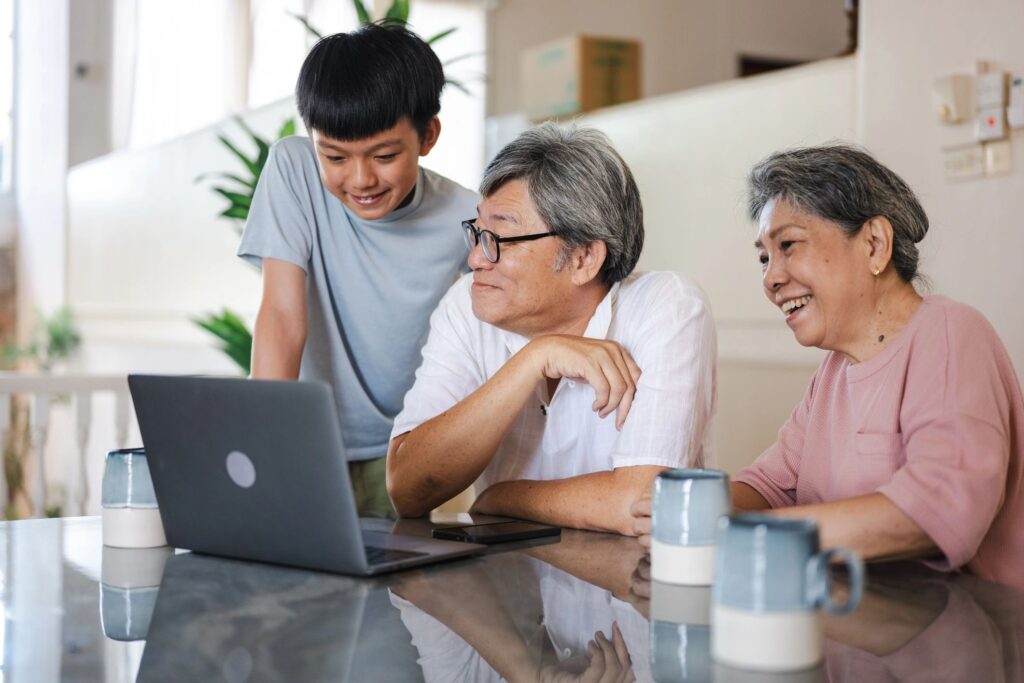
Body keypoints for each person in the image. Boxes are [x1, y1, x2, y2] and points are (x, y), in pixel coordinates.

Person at [631, 144, 1024, 588]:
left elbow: (941, 509)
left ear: (874, 244)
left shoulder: (950, 333)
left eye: (789, 246)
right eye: (764, 257)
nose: (771, 278)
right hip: (864, 625)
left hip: (968, 639)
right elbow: (770, 488)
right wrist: (692, 506)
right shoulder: (834, 372)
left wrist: (748, 536)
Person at [386, 123, 716, 536]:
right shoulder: (469, 305)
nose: (474, 259)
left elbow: (642, 503)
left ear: (583, 258)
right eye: (476, 233)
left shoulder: (666, 306)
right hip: (507, 589)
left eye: (498, 238)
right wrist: (533, 359)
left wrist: (500, 498)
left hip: (628, 590)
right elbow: (407, 489)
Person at [237, 23, 477, 518]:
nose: (362, 179)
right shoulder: (292, 170)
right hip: (306, 438)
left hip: (404, 448)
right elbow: (282, 315)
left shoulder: (467, 216)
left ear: (427, 135)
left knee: (397, 590)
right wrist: (263, 439)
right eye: (335, 157)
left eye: (385, 155)